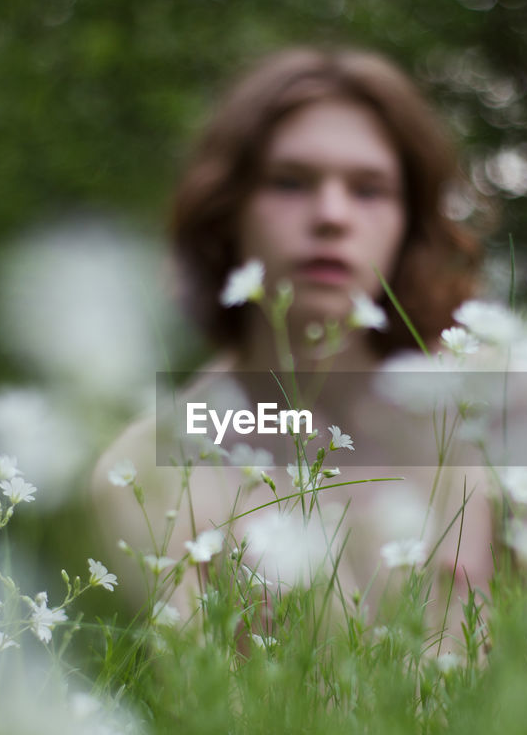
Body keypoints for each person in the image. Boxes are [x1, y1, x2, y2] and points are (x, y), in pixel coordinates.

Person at [92, 47, 496, 653]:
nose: (331, 216)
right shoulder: (147, 471)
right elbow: (207, 730)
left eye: (369, 189)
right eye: (289, 182)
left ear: (410, 222)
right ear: (227, 209)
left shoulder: (504, 416)